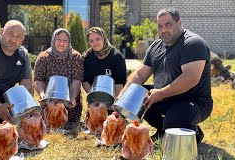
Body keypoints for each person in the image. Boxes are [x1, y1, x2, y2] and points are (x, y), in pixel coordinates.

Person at [118, 7, 213, 143]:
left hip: (194, 101)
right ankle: (164, 129)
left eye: (168, 25)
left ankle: (194, 132)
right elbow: (140, 75)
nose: (163, 30)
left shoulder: (193, 43)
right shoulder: (156, 46)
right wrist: (123, 95)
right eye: (160, 26)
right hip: (165, 96)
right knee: (137, 95)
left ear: (179, 22)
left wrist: (161, 93)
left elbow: (190, 78)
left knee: (173, 120)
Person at [34, 28, 83, 127]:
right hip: (49, 99)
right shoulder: (43, 57)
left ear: (69, 42)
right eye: (59, 39)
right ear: (53, 40)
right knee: (50, 123)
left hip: (69, 100)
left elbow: (77, 80)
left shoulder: (76, 57)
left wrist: (72, 98)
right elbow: (38, 79)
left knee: (69, 125)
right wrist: (42, 94)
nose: (62, 43)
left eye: (65, 40)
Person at [82, 27, 127, 98]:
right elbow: (85, 81)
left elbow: (119, 83)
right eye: (91, 41)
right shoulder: (87, 57)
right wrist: (94, 97)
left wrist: (114, 102)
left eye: (97, 39)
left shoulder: (116, 56)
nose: (95, 43)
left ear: (104, 38)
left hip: (113, 97)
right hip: (94, 98)